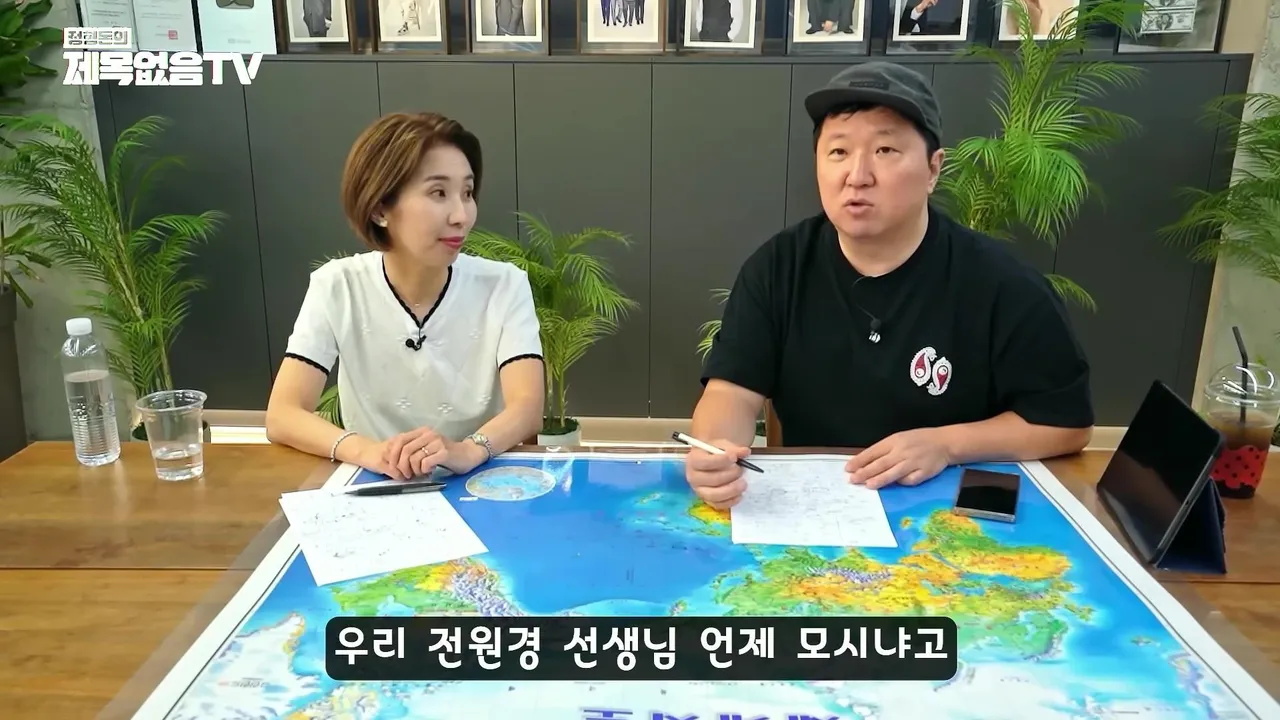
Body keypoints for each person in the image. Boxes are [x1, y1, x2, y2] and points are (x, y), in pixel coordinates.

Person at [685, 62, 1094, 507]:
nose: (857, 175)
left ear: (934, 169)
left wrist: (946, 445)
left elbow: (1065, 423)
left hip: (946, 514)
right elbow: (730, 391)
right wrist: (715, 450)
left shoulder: (1002, 283)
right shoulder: (778, 267)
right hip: (817, 507)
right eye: (838, 152)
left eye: (884, 150)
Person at [265, 112, 545, 481]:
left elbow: (527, 407)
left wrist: (467, 450)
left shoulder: (505, 285)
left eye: (467, 193)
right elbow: (283, 414)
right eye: (438, 193)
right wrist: (370, 452)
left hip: (479, 481)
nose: (462, 215)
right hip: (375, 483)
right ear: (380, 208)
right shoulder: (337, 286)